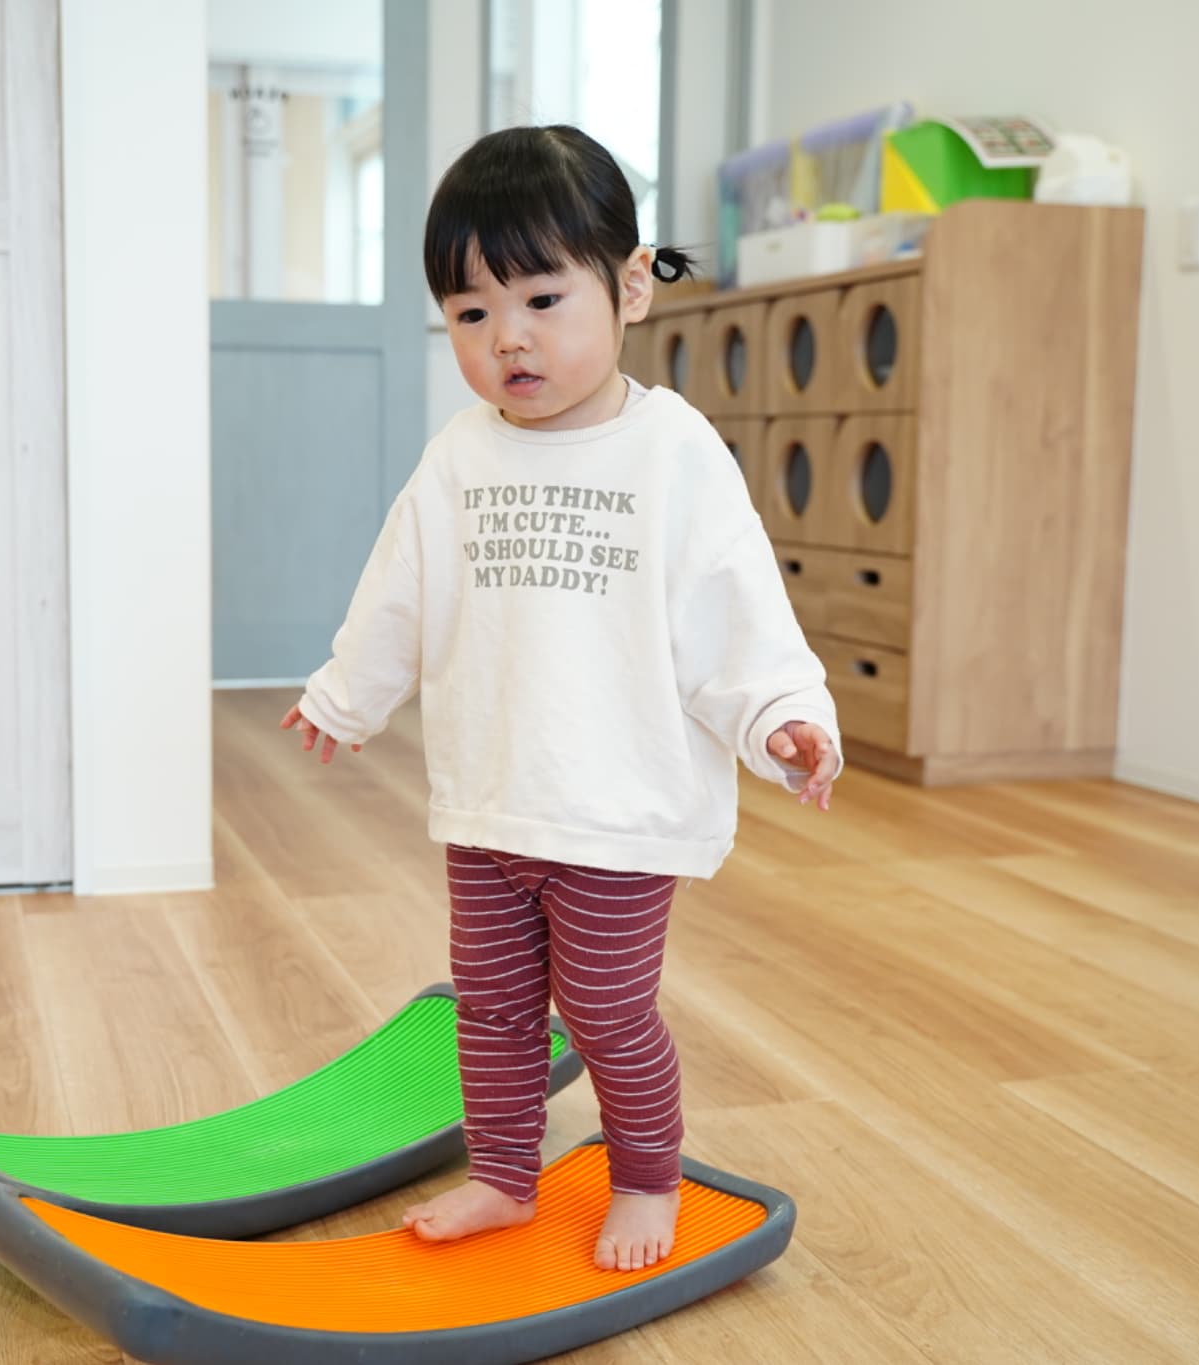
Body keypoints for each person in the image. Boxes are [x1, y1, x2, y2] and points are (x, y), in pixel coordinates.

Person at [280, 124, 841, 1272]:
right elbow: (398, 590)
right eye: (470, 313)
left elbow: (731, 604)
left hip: (616, 812)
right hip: (490, 802)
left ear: (630, 286)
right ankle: (501, 1176)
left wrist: (780, 716)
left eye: (541, 299)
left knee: (605, 1012)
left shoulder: (672, 452)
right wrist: (345, 693)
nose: (507, 338)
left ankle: (644, 1177)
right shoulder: (459, 457)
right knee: (486, 1009)